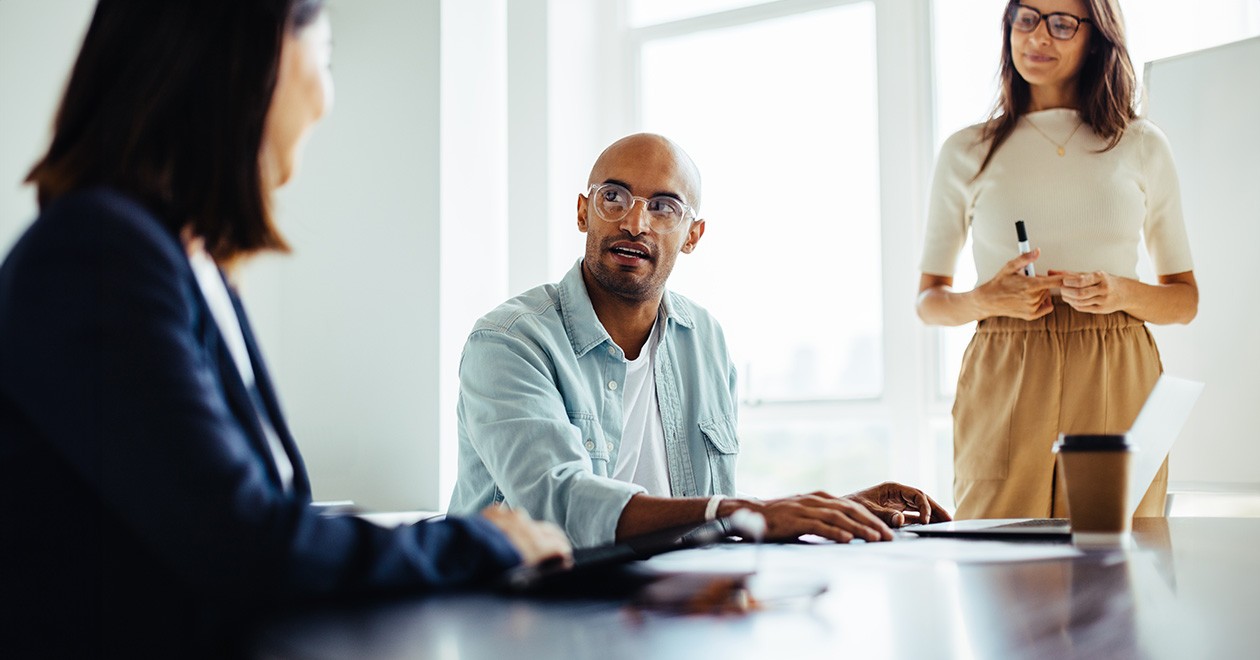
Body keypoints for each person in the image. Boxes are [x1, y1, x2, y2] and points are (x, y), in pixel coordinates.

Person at [0, 1, 569, 656]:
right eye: (323, 60)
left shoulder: (190, 263)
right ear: (255, 62)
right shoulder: (96, 250)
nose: (326, 100)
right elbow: (241, 543)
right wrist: (483, 539)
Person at [450, 132, 950, 549]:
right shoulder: (509, 342)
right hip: (523, 611)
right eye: (613, 198)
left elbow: (704, 511)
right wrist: (752, 512)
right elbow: (558, 511)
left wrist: (827, 511)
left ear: (693, 235)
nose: (634, 222)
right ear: (584, 212)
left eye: (664, 207)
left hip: (669, 604)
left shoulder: (705, 339)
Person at [916, 0, 1197, 519]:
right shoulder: (967, 150)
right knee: (999, 567)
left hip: (1116, 360)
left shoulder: (1140, 144)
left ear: (1096, 37)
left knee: (1117, 567)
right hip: (1005, 360)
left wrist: (1120, 293)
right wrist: (985, 298)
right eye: (1027, 18)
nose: (1038, 37)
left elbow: (1184, 300)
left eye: (1061, 23)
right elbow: (929, 302)